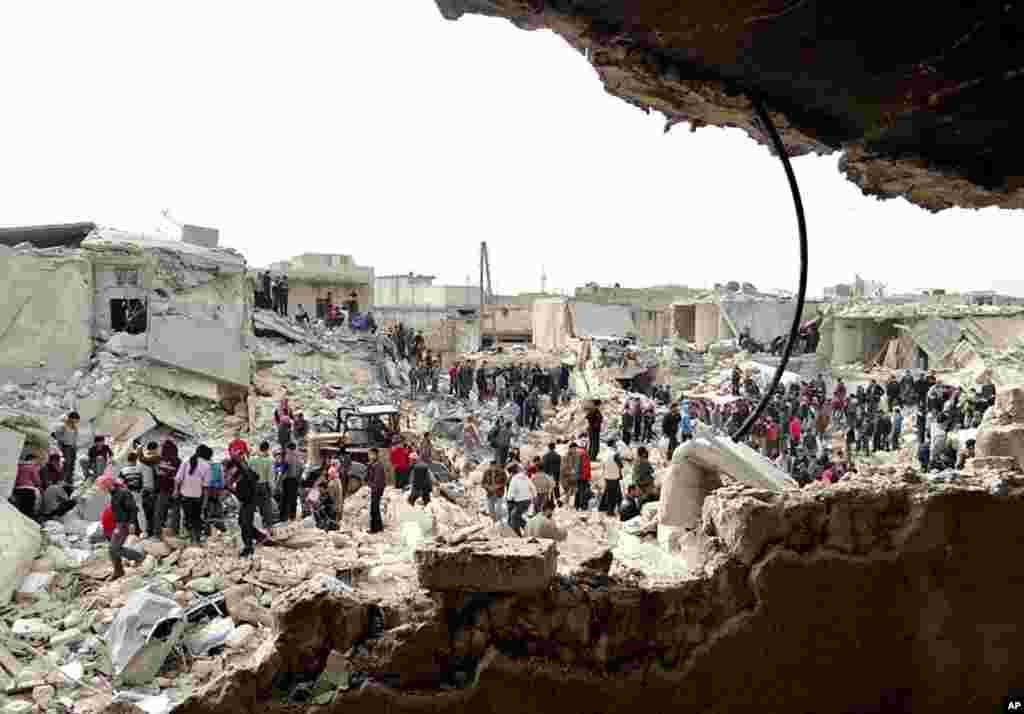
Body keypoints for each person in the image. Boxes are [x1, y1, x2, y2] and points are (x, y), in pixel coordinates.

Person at [97, 472, 143, 580]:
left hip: (125, 524)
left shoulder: (123, 492)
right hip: (119, 524)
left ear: (107, 485)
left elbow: (133, 509)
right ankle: (119, 570)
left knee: (114, 549)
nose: (102, 490)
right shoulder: (114, 493)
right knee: (112, 549)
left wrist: (132, 523)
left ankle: (138, 557)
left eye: (102, 487)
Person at [175, 445, 212, 545]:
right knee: (196, 519)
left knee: (188, 518)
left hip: (185, 496)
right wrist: (205, 502)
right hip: (198, 497)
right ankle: (196, 540)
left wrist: (176, 491)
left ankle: (191, 539)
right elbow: (206, 487)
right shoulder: (207, 466)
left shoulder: (186, 461)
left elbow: (178, 479)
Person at [233, 449, 260, 558]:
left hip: (248, 501)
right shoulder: (246, 469)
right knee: (243, 522)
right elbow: (257, 476)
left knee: (245, 524)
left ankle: (248, 548)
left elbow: (255, 477)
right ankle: (254, 539)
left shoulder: (244, 471)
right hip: (248, 500)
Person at [154, 439, 182, 537]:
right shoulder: (177, 461)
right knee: (175, 512)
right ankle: (174, 532)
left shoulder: (161, 460)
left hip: (165, 490)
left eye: (162, 447)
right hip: (173, 490)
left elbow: (175, 477)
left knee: (160, 512)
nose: (160, 448)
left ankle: (157, 534)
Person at [118, 451, 148, 536]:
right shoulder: (139, 470)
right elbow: (142, 483)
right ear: (136, 460)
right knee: (140, 513)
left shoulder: (123, 471)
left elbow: (120, 484)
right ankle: (144, 532)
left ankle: (128, 533)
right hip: (137, 494)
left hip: (127, 495)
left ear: (127, 460)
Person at [247, 442, 276, 529]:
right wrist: (272, 488)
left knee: (253, 506)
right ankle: (268, 526)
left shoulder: (251, 459)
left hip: (253, 486)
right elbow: (270, 477)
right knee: (266, 507)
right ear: (267, 449)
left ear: (259, 448)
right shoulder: (269, 460)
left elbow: (248, 472)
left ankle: (253, 526)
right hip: (263, 485)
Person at [51, 412, 80, 488]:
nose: (76, 422)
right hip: (65, 447)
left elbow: (75, 438)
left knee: (72, 464)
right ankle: (63, 481)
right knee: (66, 464)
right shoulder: (63, 426)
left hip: (72, 447)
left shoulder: (75, 427)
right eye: (75, 420)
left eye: (77, 421)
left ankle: (69, 481)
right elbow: (55, 435)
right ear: (70, 419)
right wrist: (63, 441)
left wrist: (75, 445)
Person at [12, 451, 42, 518]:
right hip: (28, 490)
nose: (36, 462)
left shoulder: (19, 466)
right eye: (36, 460)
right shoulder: (32, 467)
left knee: (18, 509)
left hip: (17, 489)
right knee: (27, 510)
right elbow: (37, 480)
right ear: (32, 459)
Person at [506, 464, 534, 536]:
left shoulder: (512, 478)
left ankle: (518, 534)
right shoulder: (521, 477)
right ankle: (527, 530)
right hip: (519, 500)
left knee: (513, 517)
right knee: (516, 517)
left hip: (514, 501)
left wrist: (509, 499)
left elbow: (511, 492)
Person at [600, 438, 624, 516]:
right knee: (613, 495)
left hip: (607, 476)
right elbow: (621, 465)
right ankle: (610, 511)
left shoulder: (604, 453)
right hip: (614, 476)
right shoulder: (615, 454)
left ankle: (604, 508)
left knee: (609, 493)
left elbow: (603, 465)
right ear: (613, 444)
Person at [367, 448, 386, 533]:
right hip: (375, 490)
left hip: (376, 490)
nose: (369, 456)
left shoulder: (378, 466)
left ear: (375, 455)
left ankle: (374, 529)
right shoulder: (373, 465)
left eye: (371, 454)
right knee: (375, 509)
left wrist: (372, 487)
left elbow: (377, 481)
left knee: (374, 509)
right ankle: (379, 527)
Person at [281, 443, 301, 521]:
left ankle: (284, 516)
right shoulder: (298, 457)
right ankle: (292, 516)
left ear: (288, 448)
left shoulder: (288, 456)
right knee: (293, 498)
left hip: (288, 479)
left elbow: (285, 468)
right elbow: (301, 468)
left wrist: (281, 474)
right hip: (295, 480)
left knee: (285, 498)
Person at [574, 442, 592, 511]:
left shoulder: (577, 453)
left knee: (578, 490)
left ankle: (576, 505)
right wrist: (588, 476)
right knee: (583, 491)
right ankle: (583, 505)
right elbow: (586, 466)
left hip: (578, 475)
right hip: (583, 476)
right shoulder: (584, 454)